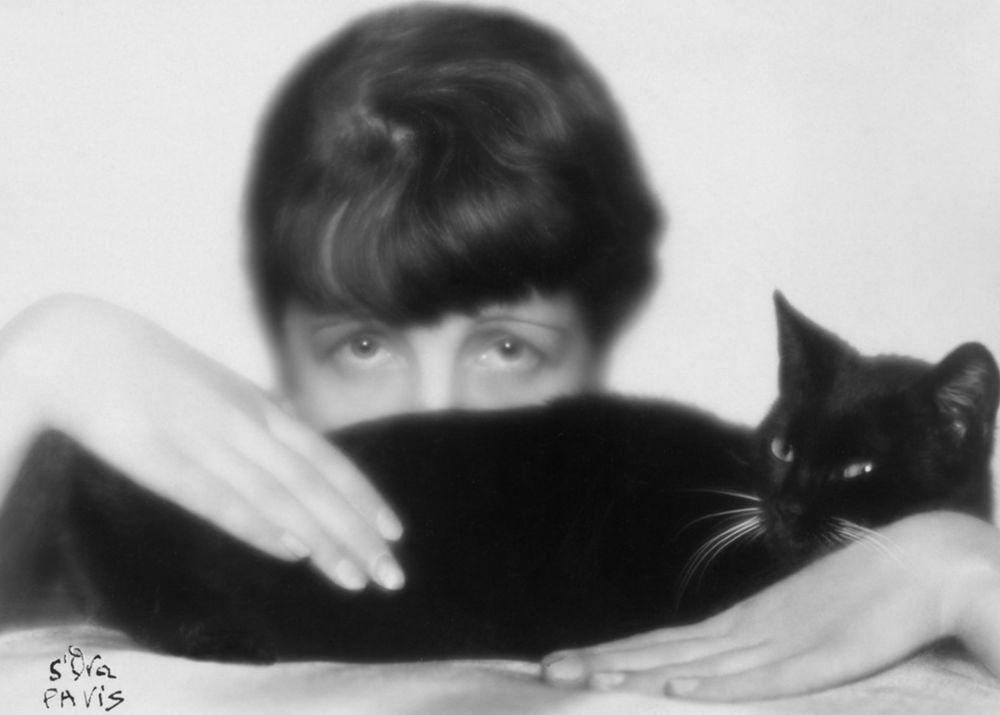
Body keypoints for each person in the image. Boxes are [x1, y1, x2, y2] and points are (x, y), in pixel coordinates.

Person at [1, 3, 999, 704]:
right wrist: (35, 368)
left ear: (602, 350)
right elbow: (51, 690)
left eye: (506, 347)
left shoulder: (791, 625)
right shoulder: (103, 656)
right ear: (271, 361)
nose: (442, 400)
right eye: (362, 341)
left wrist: (958, 571)